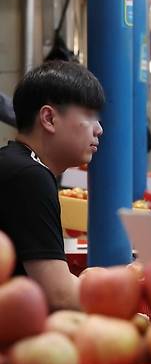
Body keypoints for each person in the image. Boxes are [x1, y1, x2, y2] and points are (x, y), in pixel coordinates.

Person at [0, 61, 105, 308]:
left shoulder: (18, 164)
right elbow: (60, 295)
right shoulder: (28, 177)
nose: (99, 129)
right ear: (49, 118)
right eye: (89, 116)